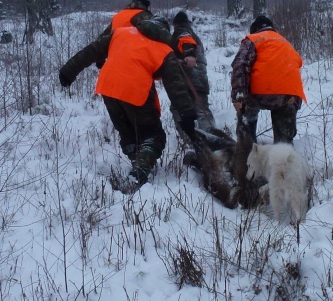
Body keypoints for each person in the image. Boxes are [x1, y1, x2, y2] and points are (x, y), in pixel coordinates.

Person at [59, 16, 196, 191]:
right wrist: (187, 114)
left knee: (128, 132)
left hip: (107, 87)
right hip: (135, 90)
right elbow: (176, 87)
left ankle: (137, 159)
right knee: (154, 136)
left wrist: (68, 71)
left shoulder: (120, 33)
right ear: (164, 33)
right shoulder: (164, 50)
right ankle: (138, 173)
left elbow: (90, 51)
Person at [230, 15, 306, 190]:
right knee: (284, 144)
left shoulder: (253, 40)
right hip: (289, 95)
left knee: (247, 124)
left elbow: (240, 65)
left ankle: (248, 170)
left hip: (260, 92)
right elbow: (297, 64)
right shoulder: (285, 42)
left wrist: (239, 97)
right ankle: (285, 180)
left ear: (254, 30)